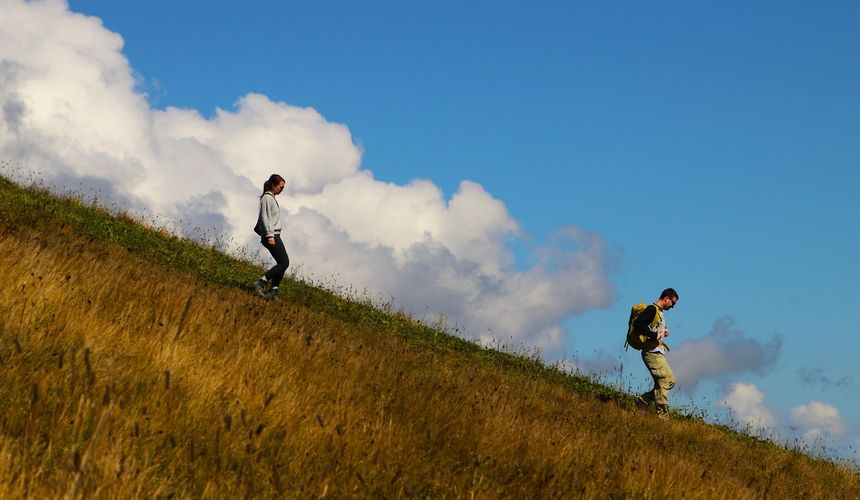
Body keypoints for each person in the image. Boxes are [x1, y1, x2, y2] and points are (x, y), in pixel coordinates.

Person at [632, 288, 679, 420]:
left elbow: (652, 327)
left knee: (670, 380)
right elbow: (638, 324)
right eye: (673, 303)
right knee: (664, 380)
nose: (673, 306)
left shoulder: (659, 312)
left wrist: (664, 330)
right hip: (651, 353)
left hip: (658, 351)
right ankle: (663, 418)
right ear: (666, 298)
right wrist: (654, 335)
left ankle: (642, 401)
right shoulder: (652, 309)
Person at [252, 174, 289, 300]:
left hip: (274, 234)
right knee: (284, 263)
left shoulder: (271, 198)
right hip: (272, 235)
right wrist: (269, 235)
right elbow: (265, 218)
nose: (282, 190)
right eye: (281, 187)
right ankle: (261, 283)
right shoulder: (267, 198)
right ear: (273, 185)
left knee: (282, 263)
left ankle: (273, 291)